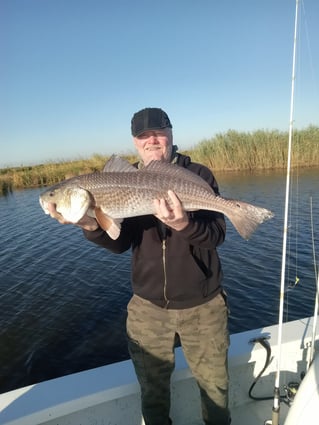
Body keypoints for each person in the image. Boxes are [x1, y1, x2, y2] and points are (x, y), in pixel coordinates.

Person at [47, 107, 230, 425]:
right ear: (135, 142)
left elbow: (215, 237)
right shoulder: (121, 179)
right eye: (144, 136)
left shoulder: (199, 175)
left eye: (158, 133)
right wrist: (91, 226)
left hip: (204, 307)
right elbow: (119, 243)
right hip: (147, 311)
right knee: (153, 397)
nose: (152, 141)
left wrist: (185, 224)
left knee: (216, 394)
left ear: (171, 134)